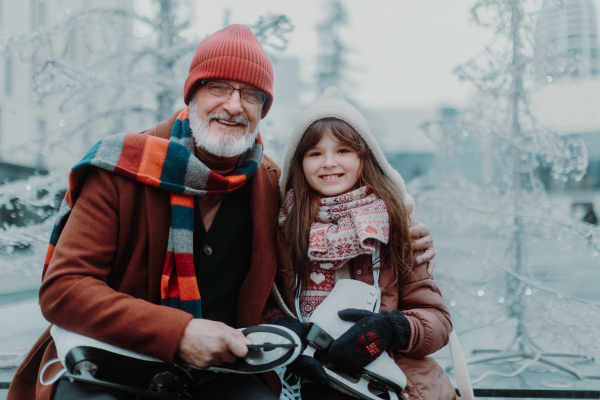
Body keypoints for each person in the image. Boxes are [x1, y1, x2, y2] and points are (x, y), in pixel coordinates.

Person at [8, 26, 436, 400]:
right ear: (192, 94)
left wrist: (407, 231)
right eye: (218, 88)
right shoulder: (123, 168)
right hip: (111, 364)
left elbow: (339, 205)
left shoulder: (270, 184)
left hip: (224, 371)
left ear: (262, 111)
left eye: (251, 95)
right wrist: (179, 334)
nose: (234, 105)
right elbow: (64, 288)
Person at [267, 87, 457, 400]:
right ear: (299, 163)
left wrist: (391, 329)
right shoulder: (283, 227)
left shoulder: (396, 223)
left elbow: (437, 321)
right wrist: (289, 332)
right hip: (307, 380)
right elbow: (263, 306)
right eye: (315, 153)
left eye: (343, 150)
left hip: (388, 380)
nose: (329, 162)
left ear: (363, 156)